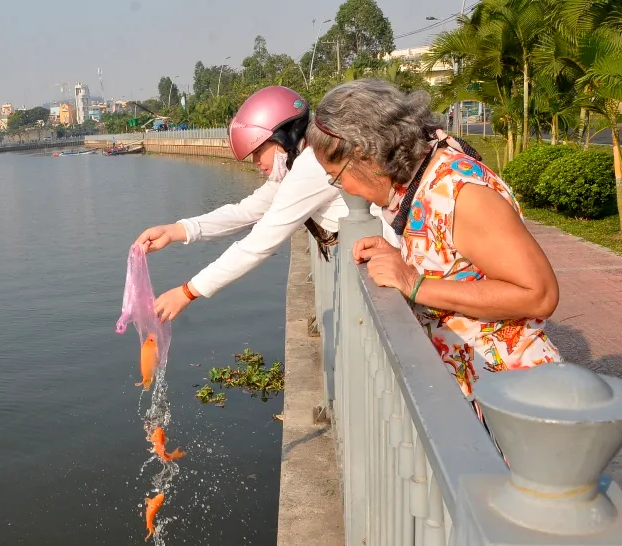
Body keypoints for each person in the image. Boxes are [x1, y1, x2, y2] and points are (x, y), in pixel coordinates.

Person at [306, 78, 561, 409]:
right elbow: (462, 265)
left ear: (365, 154)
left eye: (337, 177)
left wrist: (414, 282)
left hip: (514, 401)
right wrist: (402, 260)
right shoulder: (424, 181)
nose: (345, 189)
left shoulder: (459, 191)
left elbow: (538, 295)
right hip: (477, 392)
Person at [135, 85, 376, 322]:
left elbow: (258, 244)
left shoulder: (311, 164)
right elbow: (245, 211)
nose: (256, 161)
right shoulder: (299, 163)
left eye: (259, 150)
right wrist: (176, 230)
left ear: (284, 136)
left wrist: (188, 291)